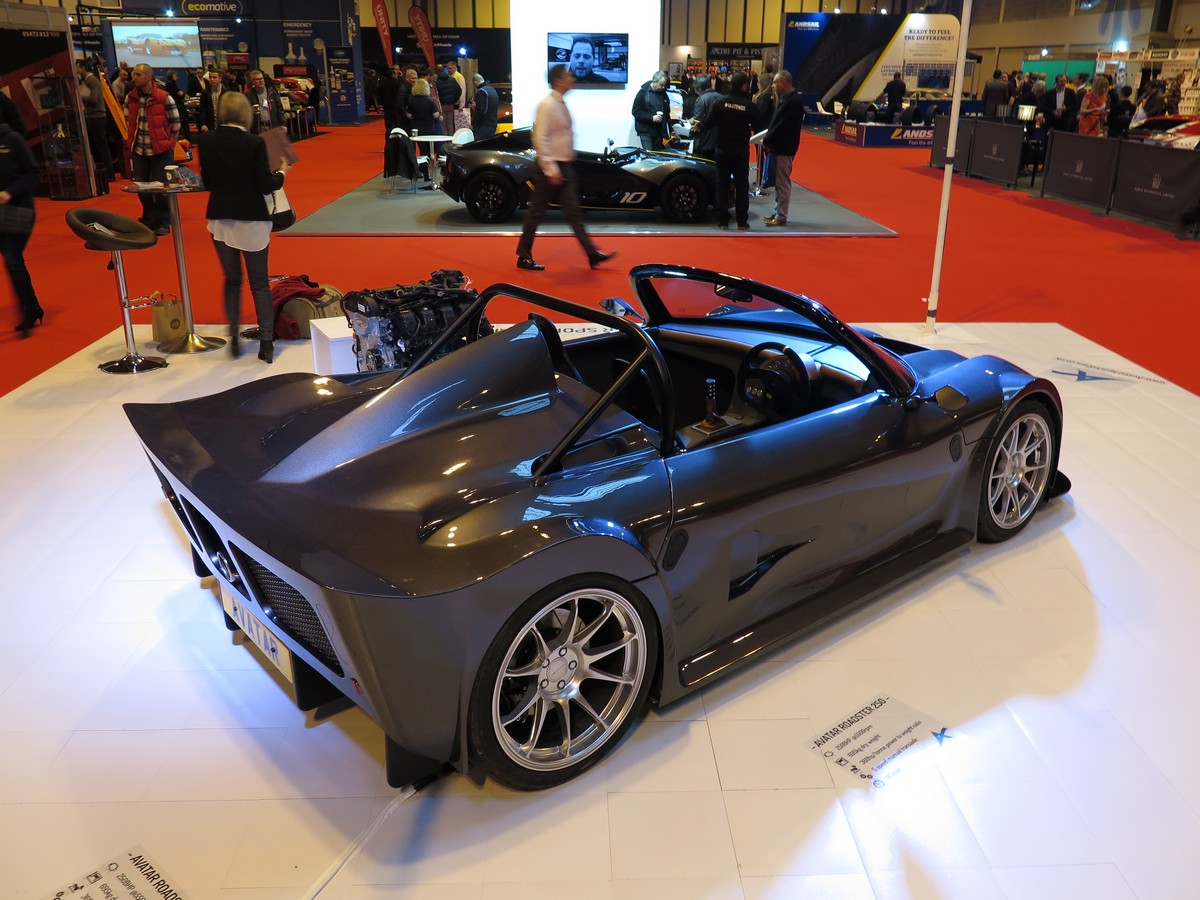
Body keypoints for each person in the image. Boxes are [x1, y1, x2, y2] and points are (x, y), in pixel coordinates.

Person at [198, 92, 286, 363]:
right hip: (252, 220)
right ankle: (266, 344)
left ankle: (234, 340)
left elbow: (208, 182)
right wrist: (282, 173)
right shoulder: (255, 142)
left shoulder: (206, 140)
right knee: (259, 284)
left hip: (220, 219)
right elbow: (265, 184)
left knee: (232, 280)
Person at [515, 65, 615, 272]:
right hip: (549, 169)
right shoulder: (547, 105)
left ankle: (592, 254)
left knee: (573, 212)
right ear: (558, 80)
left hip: (563, 166)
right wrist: (551, 169)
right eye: (568, 75)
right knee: (536, 213)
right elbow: (540, 139)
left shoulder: (559, 103)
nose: (572, 78)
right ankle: (523, 256)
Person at [701, 71, 763, 231]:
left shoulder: (720, 102)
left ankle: (723, 220)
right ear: (744, 86)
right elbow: (759, 127)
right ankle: (742, 221)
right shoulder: (749, 106)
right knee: (742, 186)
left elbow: (708, 123)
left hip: (722, 150)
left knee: (722, 185)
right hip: (740, 151)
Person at [125, 63, 180, 236]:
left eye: (138, 74)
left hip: (160, 150)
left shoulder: (164, 97)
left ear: (149, 76)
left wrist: (169, 144)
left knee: (162, 188)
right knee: (142, 187)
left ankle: (163, 221)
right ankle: (149, 219)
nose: (133, 77)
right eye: (133, 74)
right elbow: (128, 121)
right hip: (138, 150)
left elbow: (175, 124)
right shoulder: (130, 98)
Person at [0, 119, 43, 335]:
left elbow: (33, 173)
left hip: (19, 210)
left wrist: (9, 193)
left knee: (12, 259)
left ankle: (28, 310)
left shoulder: (12, 140)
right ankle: (32, 306)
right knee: (13, 261)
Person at [761, 70, 805, 228]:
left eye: (775, 82)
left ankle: (781, 215)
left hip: (784, 148)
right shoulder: (785, 99)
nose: (773, 86)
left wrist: (768, 139)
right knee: (779, 183)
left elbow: (782, 126)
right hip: (779, 147)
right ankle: (777, 212)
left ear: (784, 83)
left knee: (782, 183)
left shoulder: (793, 102)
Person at [76, 59, 114, 189]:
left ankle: (110, 174)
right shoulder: (89, 81)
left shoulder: (91, 81)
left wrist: (79, 96)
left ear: (82, 68)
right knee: (99, 145)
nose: (77, 70)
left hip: (96, 116)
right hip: (94, 116)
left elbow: (93, 98)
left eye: (78, 67)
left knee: (101, 145)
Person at [632, 70, 672, 151]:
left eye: (664, 85)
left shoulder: (663, 94)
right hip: (645, 131)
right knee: (649, 154)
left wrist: (670, 128)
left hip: (659, 131)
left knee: (657, 155)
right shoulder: (642, 93)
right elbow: (635, 111)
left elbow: (667, 112)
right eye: (661, 85)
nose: (663, 87)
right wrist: (651, 118)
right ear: (654, 81)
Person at [689, 75, 721, 159]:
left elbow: (697, 120)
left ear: (700, 89)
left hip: (704, 141)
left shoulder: (701, 99)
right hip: (720, 140)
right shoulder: (721, 97)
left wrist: (691, 131)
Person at [244, 69, 282, 135]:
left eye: (262, 78)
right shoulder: (249, 96)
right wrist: (250, 111)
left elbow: (280, 109)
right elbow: (244, 112)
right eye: (257, 79)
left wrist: (283, 124)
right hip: (259, 128)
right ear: (252, 81)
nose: (261, 81)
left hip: (273, 126)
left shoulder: (272, 93)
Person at [197, 69, 227, 133]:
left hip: (224, 125)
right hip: (210, 126)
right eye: (210, 77)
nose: (212, 79)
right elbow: (202, 110)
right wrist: (203, 124)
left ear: (220, 78)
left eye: (214, 77)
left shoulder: (226, 92)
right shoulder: (205, 92)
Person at [471, 72, 499, 138]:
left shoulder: (481, 91)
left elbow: (481, 110)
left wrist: (473, 122)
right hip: (493, 123)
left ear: (475, 82)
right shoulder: (492, 89)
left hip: (483, 125)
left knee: (479, 144)